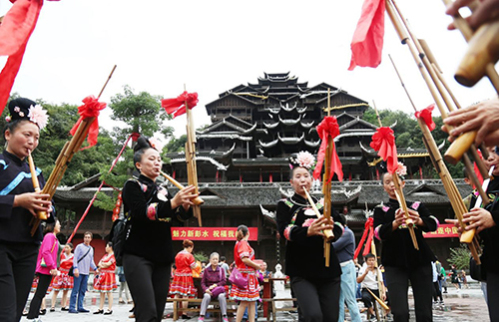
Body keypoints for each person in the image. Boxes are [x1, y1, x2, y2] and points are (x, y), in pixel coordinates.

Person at [121, 136, 196, 322]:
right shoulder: (132, 186)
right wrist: (173, 202)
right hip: (138, 254)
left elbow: (175, 219)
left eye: (159, 160)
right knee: (147, 312)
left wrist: (184, 207)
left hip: (162, 257)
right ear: (139, 165)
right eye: (151, 159)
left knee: (158, 313)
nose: (157, 163)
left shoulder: (163, 190)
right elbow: (142, 212)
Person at [0, 98, 55, 322]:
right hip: (2, 245)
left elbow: (49, 214)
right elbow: (19, 201)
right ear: (7, 134)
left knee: (14, 313)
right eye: (26, 135)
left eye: (36, 137)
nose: (32, 141)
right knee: (5, 312)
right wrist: (18, 201)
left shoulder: (38, 173)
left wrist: (48, 209)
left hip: (28, 246)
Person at [276, 152, 344, 322]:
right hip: (301, 270)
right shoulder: (285, 205)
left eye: (306, 176)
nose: (303, 180)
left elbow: (340, 225)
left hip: (328, 268)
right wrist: (308, 231)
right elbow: (285, 231)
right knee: (313, 315)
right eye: (298, 177)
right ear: (291, 183)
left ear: (312, 180)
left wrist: (330, 229)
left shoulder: (323, 204)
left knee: (331, 318)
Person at [374, 171, 438, 322]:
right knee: (400, 312)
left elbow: (434, 223)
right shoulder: (381, 209)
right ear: (383, 187)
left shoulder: (416, 206)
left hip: (420, 260)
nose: (392, 185)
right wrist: (395, 223)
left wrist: (419, 221)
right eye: (388, 182)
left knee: (424, 312)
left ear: (403, 183)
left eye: (395, 181)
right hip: (393, 263)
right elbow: (378, 233)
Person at [446, 147, 499, 320]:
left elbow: (492, 217)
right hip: (494, 265)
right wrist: (470, 228)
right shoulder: (482, 190)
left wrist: (494, 217)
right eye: (485, 153)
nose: (491, 158)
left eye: (496, 151)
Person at [27, 220, 61, 322]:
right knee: (39, 293)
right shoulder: (49, 236)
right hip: (45, 269)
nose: (60, 226)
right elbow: (46, 252)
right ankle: (31, 317)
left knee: (41, 294)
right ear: (53, 225)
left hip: (48, 269)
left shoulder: (54, 238)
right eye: (58, 224)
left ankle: (35, 316)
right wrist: (52, 267)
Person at [229, 225, 263, 322]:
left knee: (251, 302)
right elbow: (245, 259)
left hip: (245, 275)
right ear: (248, 233)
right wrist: (257, 266)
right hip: (247, 276)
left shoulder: (238, 243)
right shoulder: (243, 243)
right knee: (245, 302)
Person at [333, 220, 362, 322]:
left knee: (350, 300)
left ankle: (357, 320)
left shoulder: (347, 233)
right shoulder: (341, 233)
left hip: (346, 267)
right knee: (338, 301)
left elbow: (334, 246)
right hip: (338, 268)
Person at [68, 231, 98, 314]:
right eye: (86, 237)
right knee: (75, 290)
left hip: (86, 272)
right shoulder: (79, 247)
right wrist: (75, 268)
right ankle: (72, 307)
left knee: (83, 290)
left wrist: (95, 268)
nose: (87, 239)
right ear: (83, 238)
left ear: (91, 239)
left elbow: (91, 260)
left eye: (89, 237)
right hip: (79, 271)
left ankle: (80, 306)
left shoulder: (91, 249)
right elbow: (75, 258)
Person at [170, 239, 197, 319]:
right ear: (190, 247)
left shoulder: (178, 254)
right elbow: (193, 266)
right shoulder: (189, 255)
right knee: (185, 295)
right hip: (186, 276)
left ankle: (176, 312)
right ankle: (184, 313)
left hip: (178, 275)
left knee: (177, 293)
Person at [198, 252, 228, 322]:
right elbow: (202, 282)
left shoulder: (221, 270)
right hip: (209, 290)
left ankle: (224, 315)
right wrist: (206, 289)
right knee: (206, 296)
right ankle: (202, 315)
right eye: (213, 259)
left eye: (216, 259)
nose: (215, 261)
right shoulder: (206, 270)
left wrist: (215, 285)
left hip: (218, 290)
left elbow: (224, 281)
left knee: (221, 296)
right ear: (210, 260)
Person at [93, 241, 117, 315]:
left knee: (109, 292)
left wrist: (102, 265)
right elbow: (100, 263)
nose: (105, 248)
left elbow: (107, 264)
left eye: (106, 246)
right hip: (103, 274)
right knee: (101, 292)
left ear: (110, 247)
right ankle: (101, 308)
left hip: (109, 275)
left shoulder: (113, 256)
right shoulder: (105, 256)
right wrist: (102, 265)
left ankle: (109, 308)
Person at [357, 254, 381, 320]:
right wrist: (365, 273)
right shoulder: (363, 269)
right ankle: (372, 314)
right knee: (365, 297)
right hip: (367, 289)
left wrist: (384, 292)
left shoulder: (377, 270)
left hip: (377, 289)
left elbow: (381, 283)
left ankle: (387, 314)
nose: (371, 262)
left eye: (373, 260)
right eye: (370, 260)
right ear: (366, 261)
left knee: (391, 296)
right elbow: (358, 280)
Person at [50, 243, 74, 311]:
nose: (66, 249)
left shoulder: (73, 256)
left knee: (65, 291)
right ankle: (52, 306)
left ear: (71, 249)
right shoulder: (61, 255)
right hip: (60, 273)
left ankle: (64, 305)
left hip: (68, 274)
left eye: (68, 247)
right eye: (65, 247)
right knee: (56, 290)